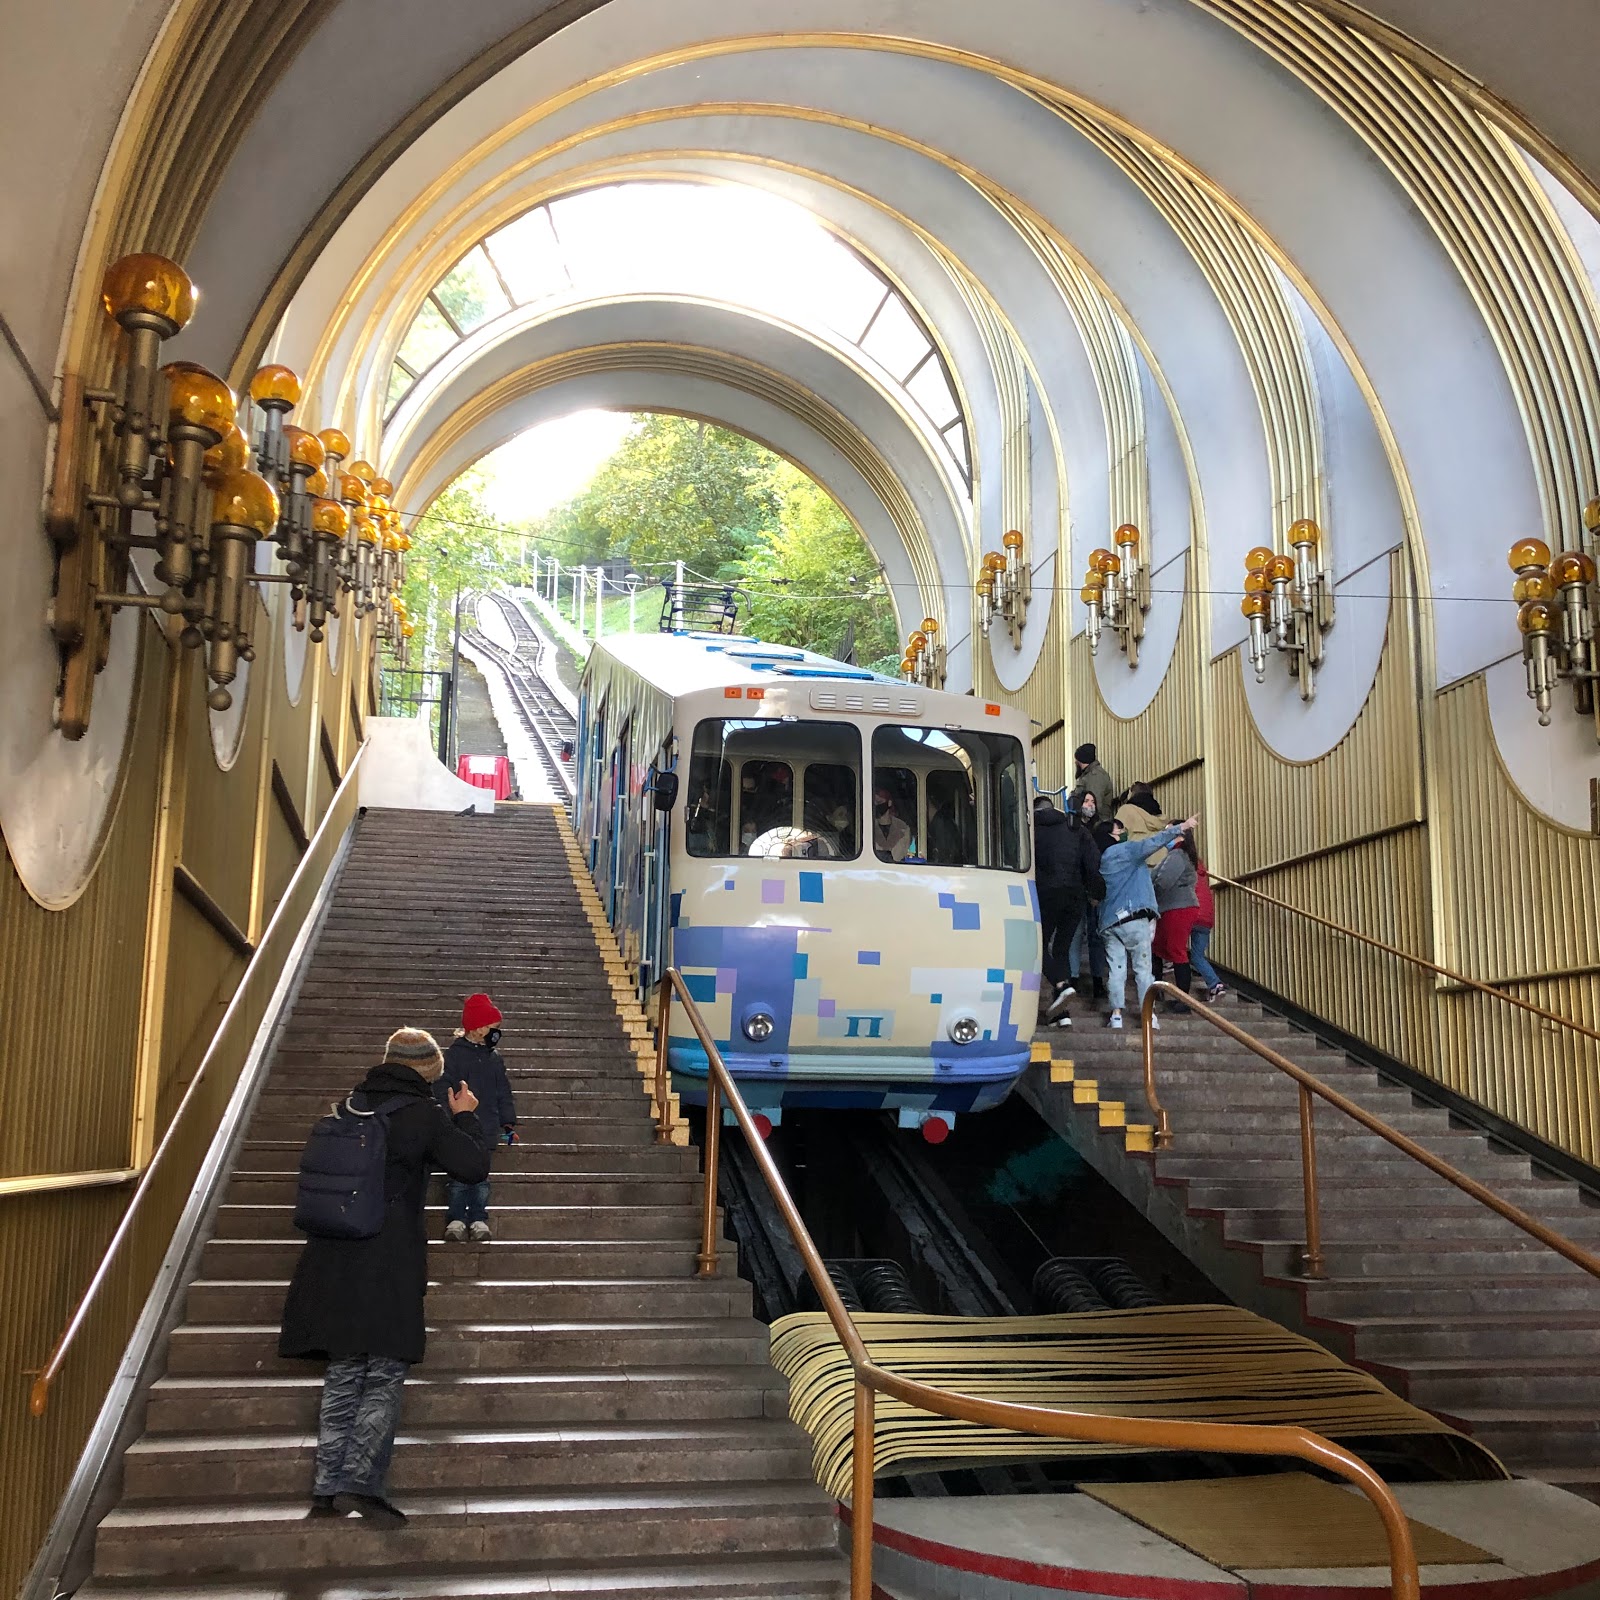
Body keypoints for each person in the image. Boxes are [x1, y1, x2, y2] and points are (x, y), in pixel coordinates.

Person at [280, 1027, 491, 1526]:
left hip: (332, 1256)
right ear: (428, 1072)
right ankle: (364, 1483)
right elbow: (472, 1165)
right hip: (388, 1258)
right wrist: (466, 1117)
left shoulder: (349, 1106)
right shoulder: (420, 1114)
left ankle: (326, 1491)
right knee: (384, 1370)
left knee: (345, 1370)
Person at [1096, 812, 1199, 1030]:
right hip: (1134, 917)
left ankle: (1116, 1015)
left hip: (1108, 922)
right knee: (1143, 968)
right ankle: (1148, 1015)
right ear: (1111, 836)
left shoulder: (1102, 860)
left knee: (1116, 969)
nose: (1123, 833)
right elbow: (1151, 843)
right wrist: (1180, 828)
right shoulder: (1126, 851)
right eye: (1119, 830)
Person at [435, 993, 516, 1241]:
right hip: (460, 1125)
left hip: (488, 1127)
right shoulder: (454, 1056)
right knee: (458, 1176)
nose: (496, 1033)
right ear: (479, 1028)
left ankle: (479, 1217)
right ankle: (457, 1218)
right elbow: (442, 1087)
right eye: (494, 1028)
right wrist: (449, 1114)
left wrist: (508, 1122)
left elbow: (503, 1091)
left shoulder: (494, 1059)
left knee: (481, 1178)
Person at [1034, 793, 1103, 1028]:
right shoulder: (1076, 828)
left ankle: (1061, 985)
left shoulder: (1031, 831)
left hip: (1045, 895)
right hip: (1075, 896)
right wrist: (1096, 893)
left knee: (1037, 946)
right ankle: (1061, 1015)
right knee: (1062, 949)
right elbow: (1093, 862)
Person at [1152, 833, 1201, 1012]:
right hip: (1175, 906)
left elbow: (1163, 880)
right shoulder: (1182, 855)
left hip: (1176, 907)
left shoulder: (1177, 855)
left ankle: (1182, 999)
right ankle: (1160, 991)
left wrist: (1150, 890)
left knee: (1174, 949)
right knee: (1159, 947)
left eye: (1170, 831)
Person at [1190, 854, 1226, 1002]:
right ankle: (1215, 984)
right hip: (1207, 919)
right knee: (1198, 955)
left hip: (1192, 914)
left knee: (1175, 945)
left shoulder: (1186, 870)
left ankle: (1169, 965)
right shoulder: (1203, 875)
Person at [1114, 780, 1171, 868]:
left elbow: (1116, 838)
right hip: (1162, 862)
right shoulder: (1162, 818)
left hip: (1137, 864)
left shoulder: (1125, 811)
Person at [1068, 743, 1116, 820]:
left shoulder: (1095, 776)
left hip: (1095, 824)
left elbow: (1095, 803)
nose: (1075, 762)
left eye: (1076, 759)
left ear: (1080, 760)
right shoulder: (1088, 775)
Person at [872, 784, 912, 861]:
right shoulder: (868, 827)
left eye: (879, 802)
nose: (876, 805)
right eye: (874, 803)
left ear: (889, 803)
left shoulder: (903, 828)